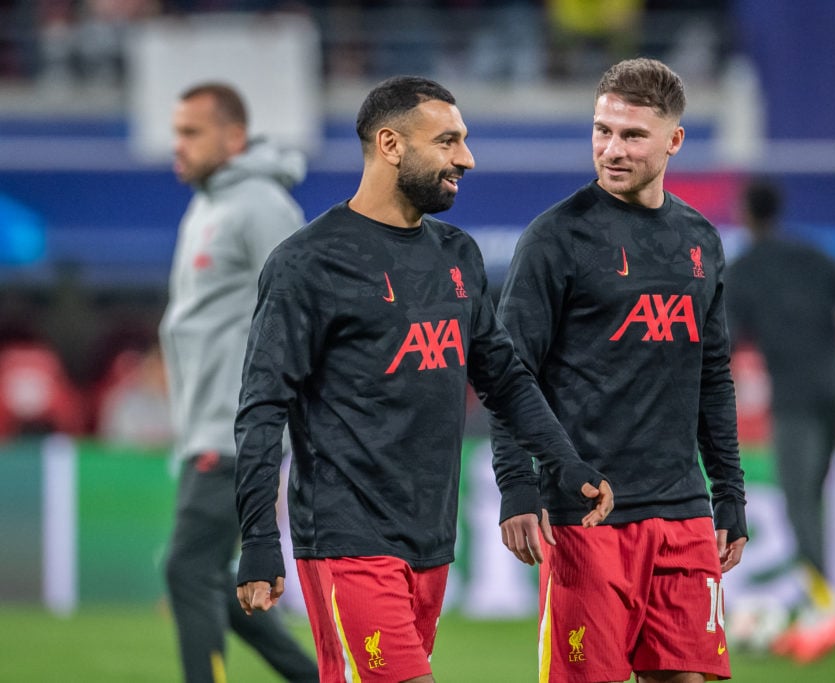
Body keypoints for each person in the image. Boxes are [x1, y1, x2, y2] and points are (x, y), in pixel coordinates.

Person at [233, 75, 614, 683]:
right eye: (447, 141)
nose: (466, 157)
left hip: (431, 541)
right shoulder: (309, 264)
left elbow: (505, 379)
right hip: (346, 537)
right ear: (390, 144)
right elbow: (261, 408)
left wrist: (563, 464)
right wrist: (258, 536)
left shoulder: (457, 255)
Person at [490, 57, 747, 683]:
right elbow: (506, 371)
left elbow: (712, 373)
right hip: (588, 513)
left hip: (683, 509)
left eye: (633, 135)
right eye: (603, 131)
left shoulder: (700, 240)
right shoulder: (555, 239)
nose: (612, 149)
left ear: (674, 140)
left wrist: (730, 493)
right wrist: (516, 486)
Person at [159, 82, 319, 683]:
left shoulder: (260, 206)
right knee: (211, 579)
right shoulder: (208, 202)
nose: (177, 145)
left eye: (190, 132)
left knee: (186, 569)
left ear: (232, 137)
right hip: (204, 426)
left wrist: (282, 425)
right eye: (176, 131)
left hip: (234, 431)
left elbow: (303, 311)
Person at [725, 178, 835, 663]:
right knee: (812, 495)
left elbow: (724, 340)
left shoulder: (746, 269)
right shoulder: (812, 255)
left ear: (747, 215)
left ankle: (826, 607)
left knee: (799, 503)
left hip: (791, 397)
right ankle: (820, 601)